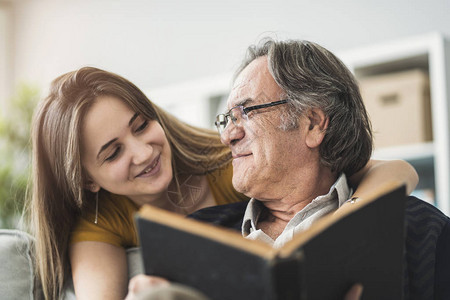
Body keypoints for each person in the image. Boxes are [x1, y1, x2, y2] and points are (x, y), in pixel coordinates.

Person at [29, 66, 418, 300]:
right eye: (112, 153)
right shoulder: (98, 224)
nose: (143, 152)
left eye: (141, 125)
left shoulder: (229, 164)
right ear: (86, 180)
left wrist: (346, 225)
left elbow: (397, 170)